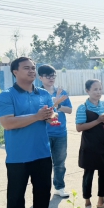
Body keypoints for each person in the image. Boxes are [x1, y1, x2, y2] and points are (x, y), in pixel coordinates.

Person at [0, 57, 60, 208]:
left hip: (42, 152)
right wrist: (37, 116)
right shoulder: (6, 96)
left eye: (33, 68)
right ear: (15, 71)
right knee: (16, 196)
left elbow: (50, 114)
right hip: (18, 156)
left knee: (42, 191)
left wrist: (50, 117)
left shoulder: (43, 94)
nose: (32, 71)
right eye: (26, 68)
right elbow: (7, 123)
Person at [76, 79, 104, 208]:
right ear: (87, 91)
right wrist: (98, 121)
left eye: (100, 89)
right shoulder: (83, 108)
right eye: (95, 89)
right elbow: (79, 127)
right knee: (88, 175)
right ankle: (87, 204)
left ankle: (101, 201)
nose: (98, 92)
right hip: (90, 146)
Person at [38, 64, 72, 198]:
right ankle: (43, 189)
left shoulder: (62, 92)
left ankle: (59, 187)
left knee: (60, 162)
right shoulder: (37, 92)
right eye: (47, 76)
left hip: (60, 133)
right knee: (43, 163)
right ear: (40, 77)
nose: (51, 78)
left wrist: (58, 105)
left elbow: (69, 110)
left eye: (53, 75)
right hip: (43, 133)